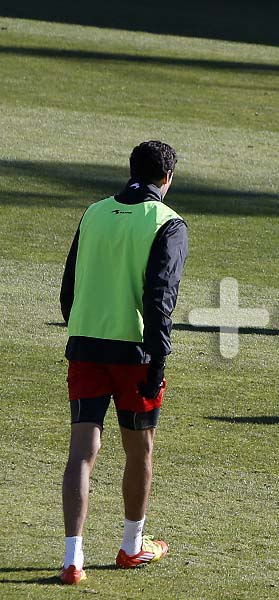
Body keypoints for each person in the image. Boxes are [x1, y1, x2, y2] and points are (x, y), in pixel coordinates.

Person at [58, 141, 188, 584]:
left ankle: (72, 560)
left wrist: (81, 330)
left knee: (81, 453)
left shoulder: (93, 212)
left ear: (131, 171)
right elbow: (160, 298)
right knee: (139, 449)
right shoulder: (168, 222)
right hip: (135, 353)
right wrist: (158, 361)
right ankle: (132, 546)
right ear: (167, 178)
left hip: (85, 346)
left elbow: (69, 286)